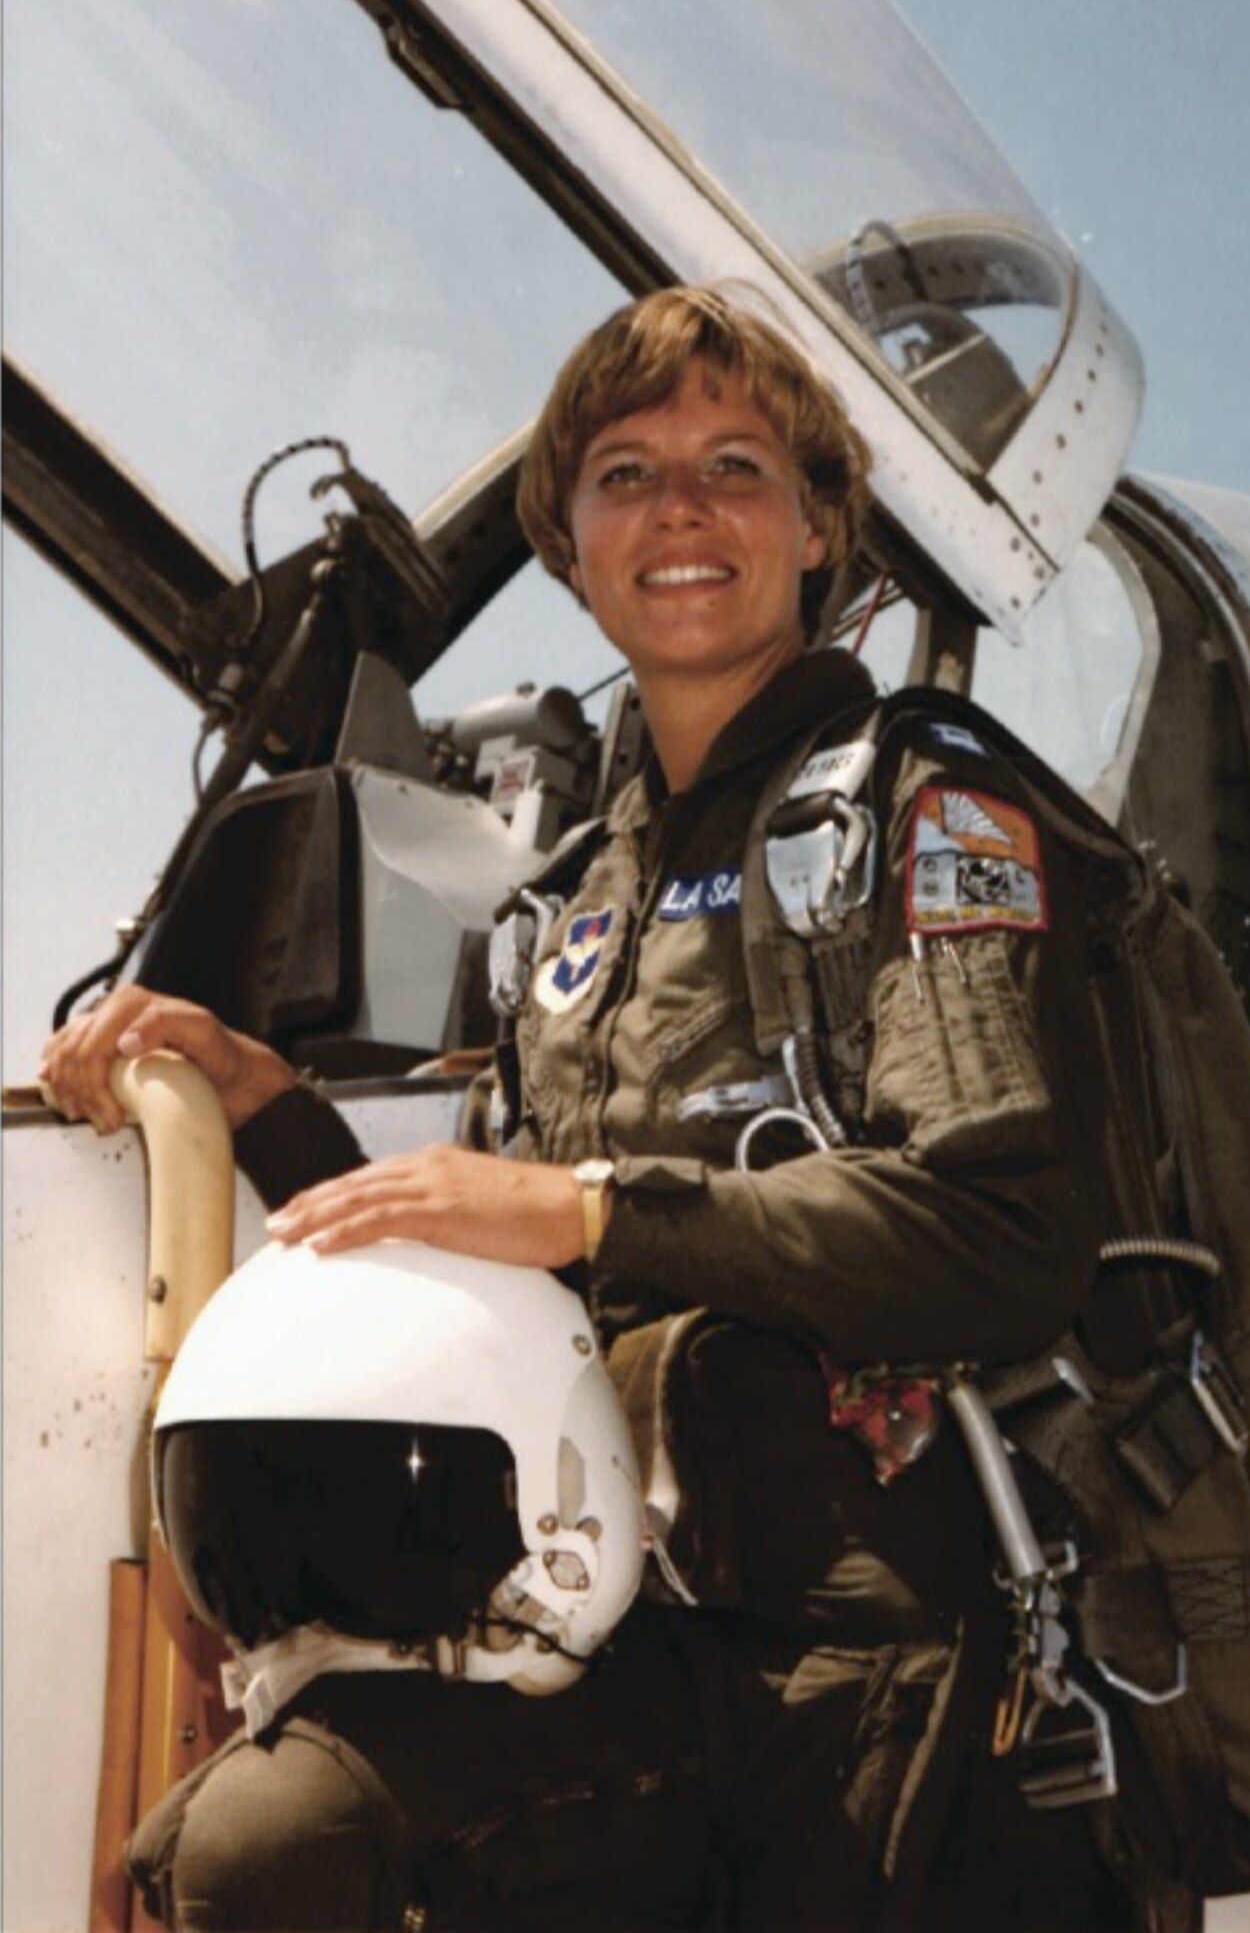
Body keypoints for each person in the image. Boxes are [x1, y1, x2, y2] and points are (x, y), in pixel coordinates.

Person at [40, 285, 1138, 1931]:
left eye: (739, 467)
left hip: (877, 1658)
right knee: (261, 1850)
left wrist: (598, 1208)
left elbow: (1007, 1231)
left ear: (822, 526)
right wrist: (266, 1109)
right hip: (614, 1636)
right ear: (567, 537)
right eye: (628, 472)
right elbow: (502, 1274)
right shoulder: (574, 900)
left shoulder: (925, 815)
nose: (682, 510)